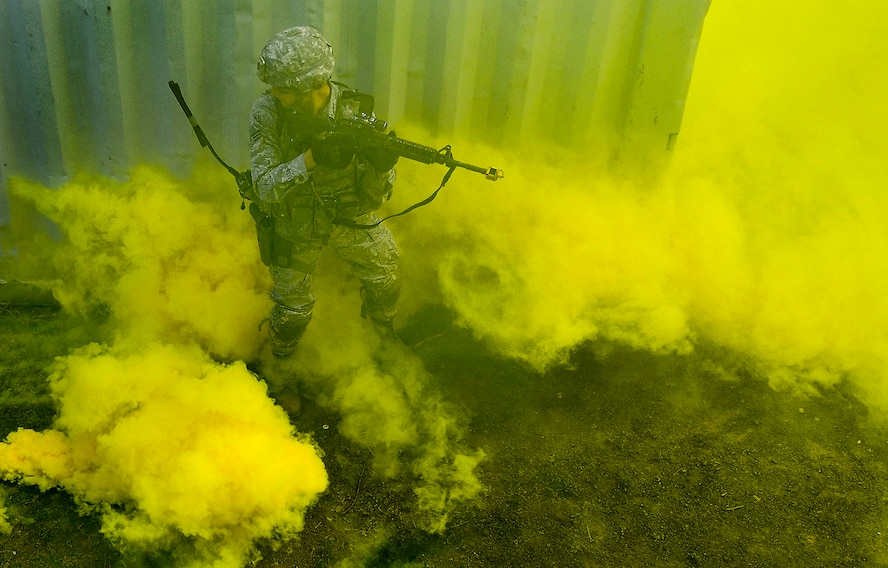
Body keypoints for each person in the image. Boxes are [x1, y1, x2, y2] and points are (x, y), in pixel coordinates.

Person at [250, 26, 401, 357]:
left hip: (348, 216)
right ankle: (281, 361)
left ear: (309, 86)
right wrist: (311, 159)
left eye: (283, 89)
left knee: (386, 277)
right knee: (292, 313)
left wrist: (381, 168)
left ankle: (382, 333)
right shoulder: (269, 112)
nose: (274, 93)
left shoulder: (356, 112)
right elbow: (264, 188)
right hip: (295, 221)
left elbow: (374, 200)